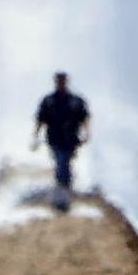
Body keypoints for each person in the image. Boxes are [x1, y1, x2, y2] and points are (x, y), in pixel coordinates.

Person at [33, 72, 91, 205]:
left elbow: (84, 117)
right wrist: (35, 136)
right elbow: (40, 119)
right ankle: (63, 190)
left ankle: (63, 191)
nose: (61, 84)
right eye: (59, 81)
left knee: (64, 162)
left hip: (71, 139)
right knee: (61, 162)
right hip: (55, 139)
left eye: (63, 81)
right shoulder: (49, 101)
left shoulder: (76, 101)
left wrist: (87, 133)